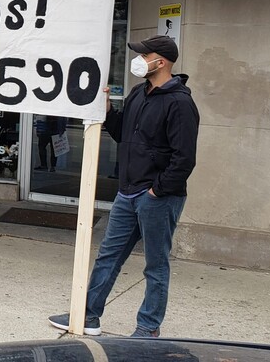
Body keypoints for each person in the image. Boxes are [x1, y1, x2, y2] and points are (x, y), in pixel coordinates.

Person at [48, 35, 199, 337]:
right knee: (109, 255)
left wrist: (157, 189)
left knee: (155, 265)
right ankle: (88, 314)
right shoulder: (138, 93)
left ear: (162, 61)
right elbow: (122, 133)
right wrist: (107, 111)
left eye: (145, 54)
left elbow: (184, 159)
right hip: (127, 192)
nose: (140, 59)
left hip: (157, 197)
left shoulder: (180, 103)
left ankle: (148, 327)